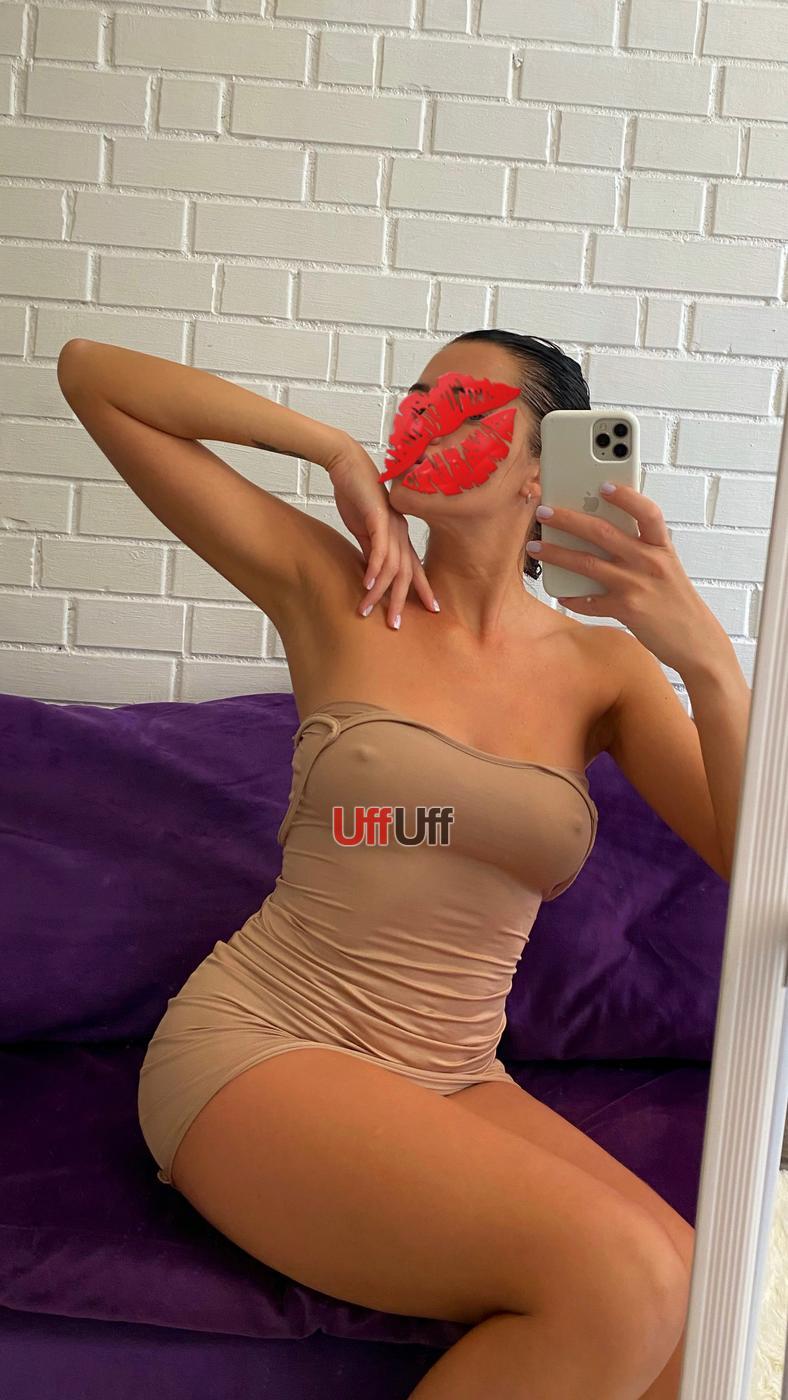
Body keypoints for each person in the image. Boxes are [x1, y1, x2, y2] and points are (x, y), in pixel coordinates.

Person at [59, 328, 691, 1399]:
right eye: (416, 398)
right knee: (616, 1280)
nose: (423, 418)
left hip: (454, 1071)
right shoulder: (333, 583)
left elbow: (746, 848)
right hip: (269, 1039)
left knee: (698, 1302)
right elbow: (93, 375)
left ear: (544, 468)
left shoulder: (604, 668)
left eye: (467, 406)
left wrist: (700, 654)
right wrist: (331, 451)